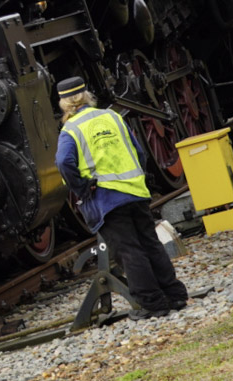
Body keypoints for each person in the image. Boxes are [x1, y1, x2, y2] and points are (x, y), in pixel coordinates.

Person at [55, 76, 188, 319]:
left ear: (64, 104)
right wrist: (137, 178)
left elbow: (64, 162)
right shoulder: (112, 117)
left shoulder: (70, 130)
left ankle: (153, 304)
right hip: (135, 192)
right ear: (87, 96)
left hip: (106, 199)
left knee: (129, 252)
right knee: (150, 243)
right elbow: (139, 152)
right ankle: (175, 295)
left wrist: (82, 188)